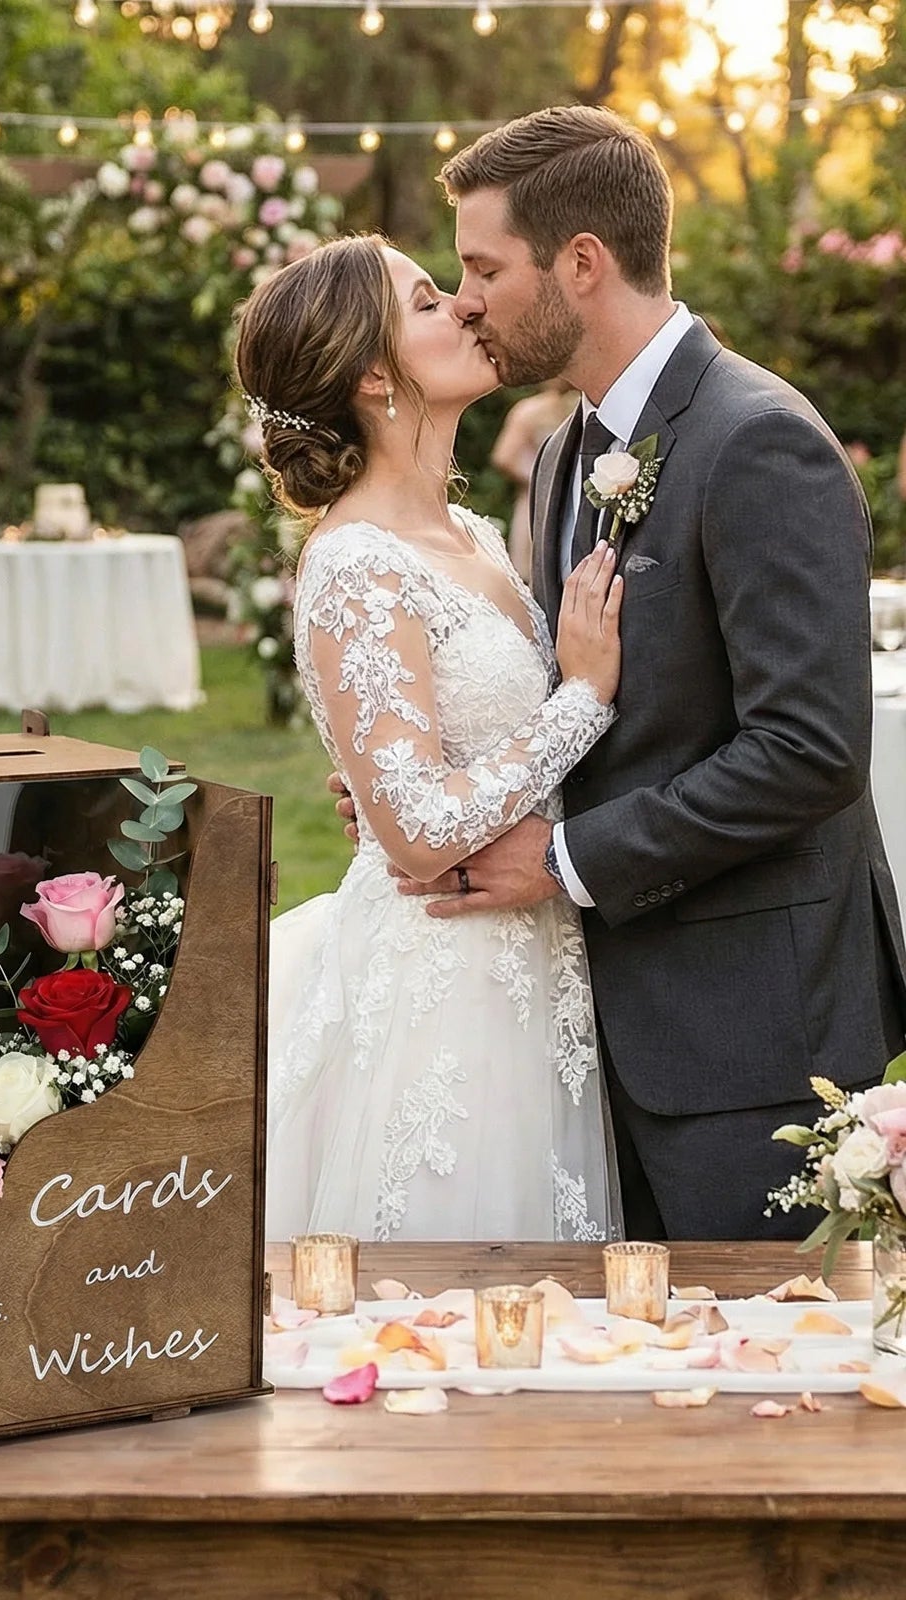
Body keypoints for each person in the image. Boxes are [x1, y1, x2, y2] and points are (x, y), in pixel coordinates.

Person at [337, 105, 906, 1240]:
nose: (466, 300)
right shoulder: (563, 453)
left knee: (766, 1383)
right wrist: (434, 779)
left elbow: (810, 749)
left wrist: (561, 857)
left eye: (485, 268)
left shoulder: (758, 441)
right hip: (592, 1028)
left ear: (581, 265)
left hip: (750, 1036)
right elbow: (578, 700)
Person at [239, 233, 623, 1244]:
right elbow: (413, 830)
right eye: (425, 301)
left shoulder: (477, 536)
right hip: (443, 980)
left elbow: (437, 759)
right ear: (372, 371)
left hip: (538, 950)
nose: (463, 306)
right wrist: (580, 697)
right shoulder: (354, 561)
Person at [491, 380, 578, 578]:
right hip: (536, 499)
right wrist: (545, 477)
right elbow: (504, 456)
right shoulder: (529, 411)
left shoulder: (581, 408)